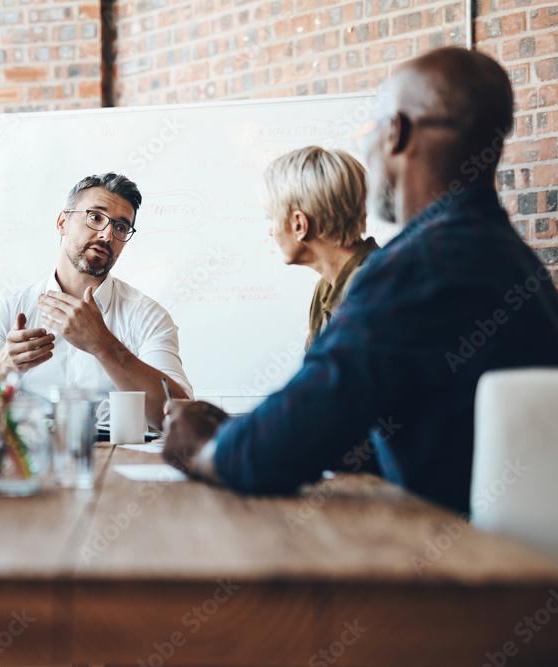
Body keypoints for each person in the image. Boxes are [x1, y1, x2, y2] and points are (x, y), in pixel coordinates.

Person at [163, 47, 558, 514]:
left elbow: (270, 457)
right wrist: (245, 429)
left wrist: (203, 447)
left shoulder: (416, 269)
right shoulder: (510, 259)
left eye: (368, 129)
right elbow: (332, 416)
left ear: (396, 134)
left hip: (445, 561)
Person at [0, 172, 193, 427]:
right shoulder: (8, 312)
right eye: (95, 217)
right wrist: (2, 365)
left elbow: (183, 417)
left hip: (120, 459)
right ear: (62, 222)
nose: (107, 236)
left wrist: (104, 346)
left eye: (120, 227)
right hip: (31, 459)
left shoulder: (147, 316)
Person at [261, 146, 380, 349]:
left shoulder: (373, 291)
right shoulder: (326, 287)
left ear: (299, 224)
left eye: (271, 218)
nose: (271, 231)